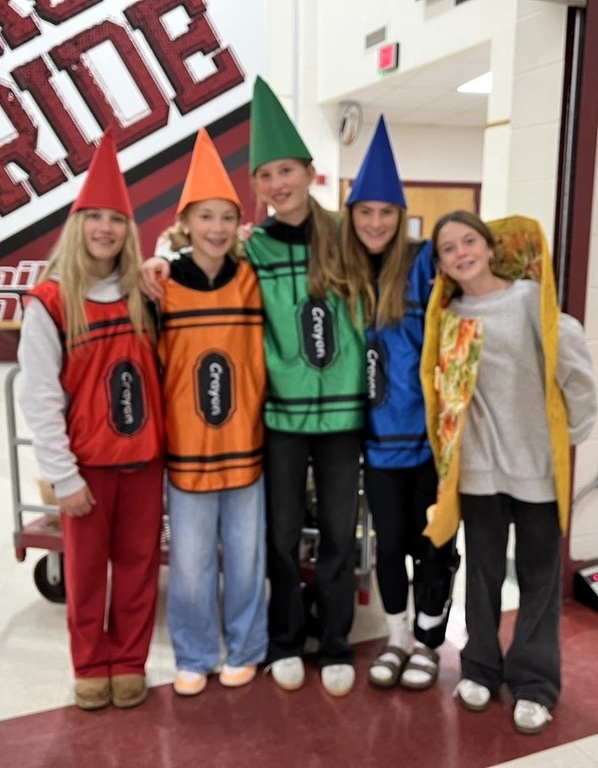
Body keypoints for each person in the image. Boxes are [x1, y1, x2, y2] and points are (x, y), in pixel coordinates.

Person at [422, 210, 597, 734]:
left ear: (490, 246)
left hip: (537, 466)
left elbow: (573, 365)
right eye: (448, 248)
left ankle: (535, 682)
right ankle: (479, 666)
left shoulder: (528, 300)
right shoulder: (449, 314)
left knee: (541, 579)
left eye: (468, 240)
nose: (460, 252)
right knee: (482, 574)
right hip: (479, 469)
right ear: (442, 264)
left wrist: (574, 434)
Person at [17, 132, 165, 711]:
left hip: (145, 463)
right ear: (78, 225)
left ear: (130, 230)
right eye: (95, 217)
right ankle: (89, 664)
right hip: (87, 469)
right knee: (83, 576)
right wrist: (63, 475)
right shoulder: (50, 302)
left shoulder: (145, 293)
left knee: (138, 569)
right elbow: (40, 397)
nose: (106, 228)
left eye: (117, 219)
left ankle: (128, 661)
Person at [246, 76, 374, 697]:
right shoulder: (255, 250)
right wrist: (164, 258)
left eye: (285, 170)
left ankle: (339, 642)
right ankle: (285, 641)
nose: (278, 184)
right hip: (283, 419)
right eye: (265, 175)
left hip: (343, 419)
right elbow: (197, 263)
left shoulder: (347, 236)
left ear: (307, 170)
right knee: (280, 535)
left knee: (340, 535)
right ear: (258, 186)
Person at [341, 116, 457, 692]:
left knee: (431, 544)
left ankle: (431, 645)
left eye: (386, 212)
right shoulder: (343, 271)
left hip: (430, 441)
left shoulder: (423, 265)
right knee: (389, 547)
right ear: (352, 216)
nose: (376, 222)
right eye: (366, 212)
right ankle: (396, 637)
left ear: (400, 215)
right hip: (377, 445)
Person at [157, 128, 268, 696]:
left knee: (247, 560)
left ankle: (247, 648)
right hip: (187, 449)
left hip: (247, 446)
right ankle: (195, 654)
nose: (217, 228)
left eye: (227, 216)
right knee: (192, 564)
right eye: (206, 217)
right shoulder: (162, 285)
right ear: (186, 222)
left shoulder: (253, 279)